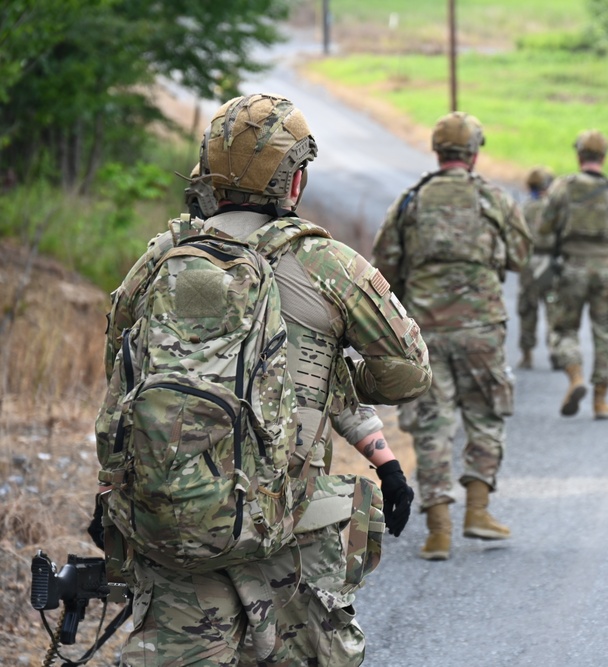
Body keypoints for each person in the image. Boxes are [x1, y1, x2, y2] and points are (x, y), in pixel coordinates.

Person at [98, 93, 432, 667]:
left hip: (175, 519)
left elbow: (121, 377)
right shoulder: (329, 266)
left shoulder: (160, 261)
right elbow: (408, 373)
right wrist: (330, 377)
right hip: (289, 527)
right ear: (293, 181)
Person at [372, 111, 532, 561]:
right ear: (475, 153)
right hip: (481, 328)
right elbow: (521, 255)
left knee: (431, 423)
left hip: (426, 331)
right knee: (485, 413)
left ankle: (438, 530)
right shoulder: (493, 199)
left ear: (437, 151)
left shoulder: (410, 201)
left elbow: (384, 265)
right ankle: (478, 511)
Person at [539, 129, 608, 420]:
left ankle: (575, 378)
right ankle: (601, 401)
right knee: (605, 335)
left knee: (564, 329)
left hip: (571, 268)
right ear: (603, 158)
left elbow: (544, 229)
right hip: (606, 271)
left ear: (579, 155)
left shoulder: (562, 189)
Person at [515, 166, 557, 370]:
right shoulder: (554, 208)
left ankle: (527, 354)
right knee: (553, 308)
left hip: (529, 265)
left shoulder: (523, 208)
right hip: (551, 263)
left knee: (528, 309)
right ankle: (556, 352)